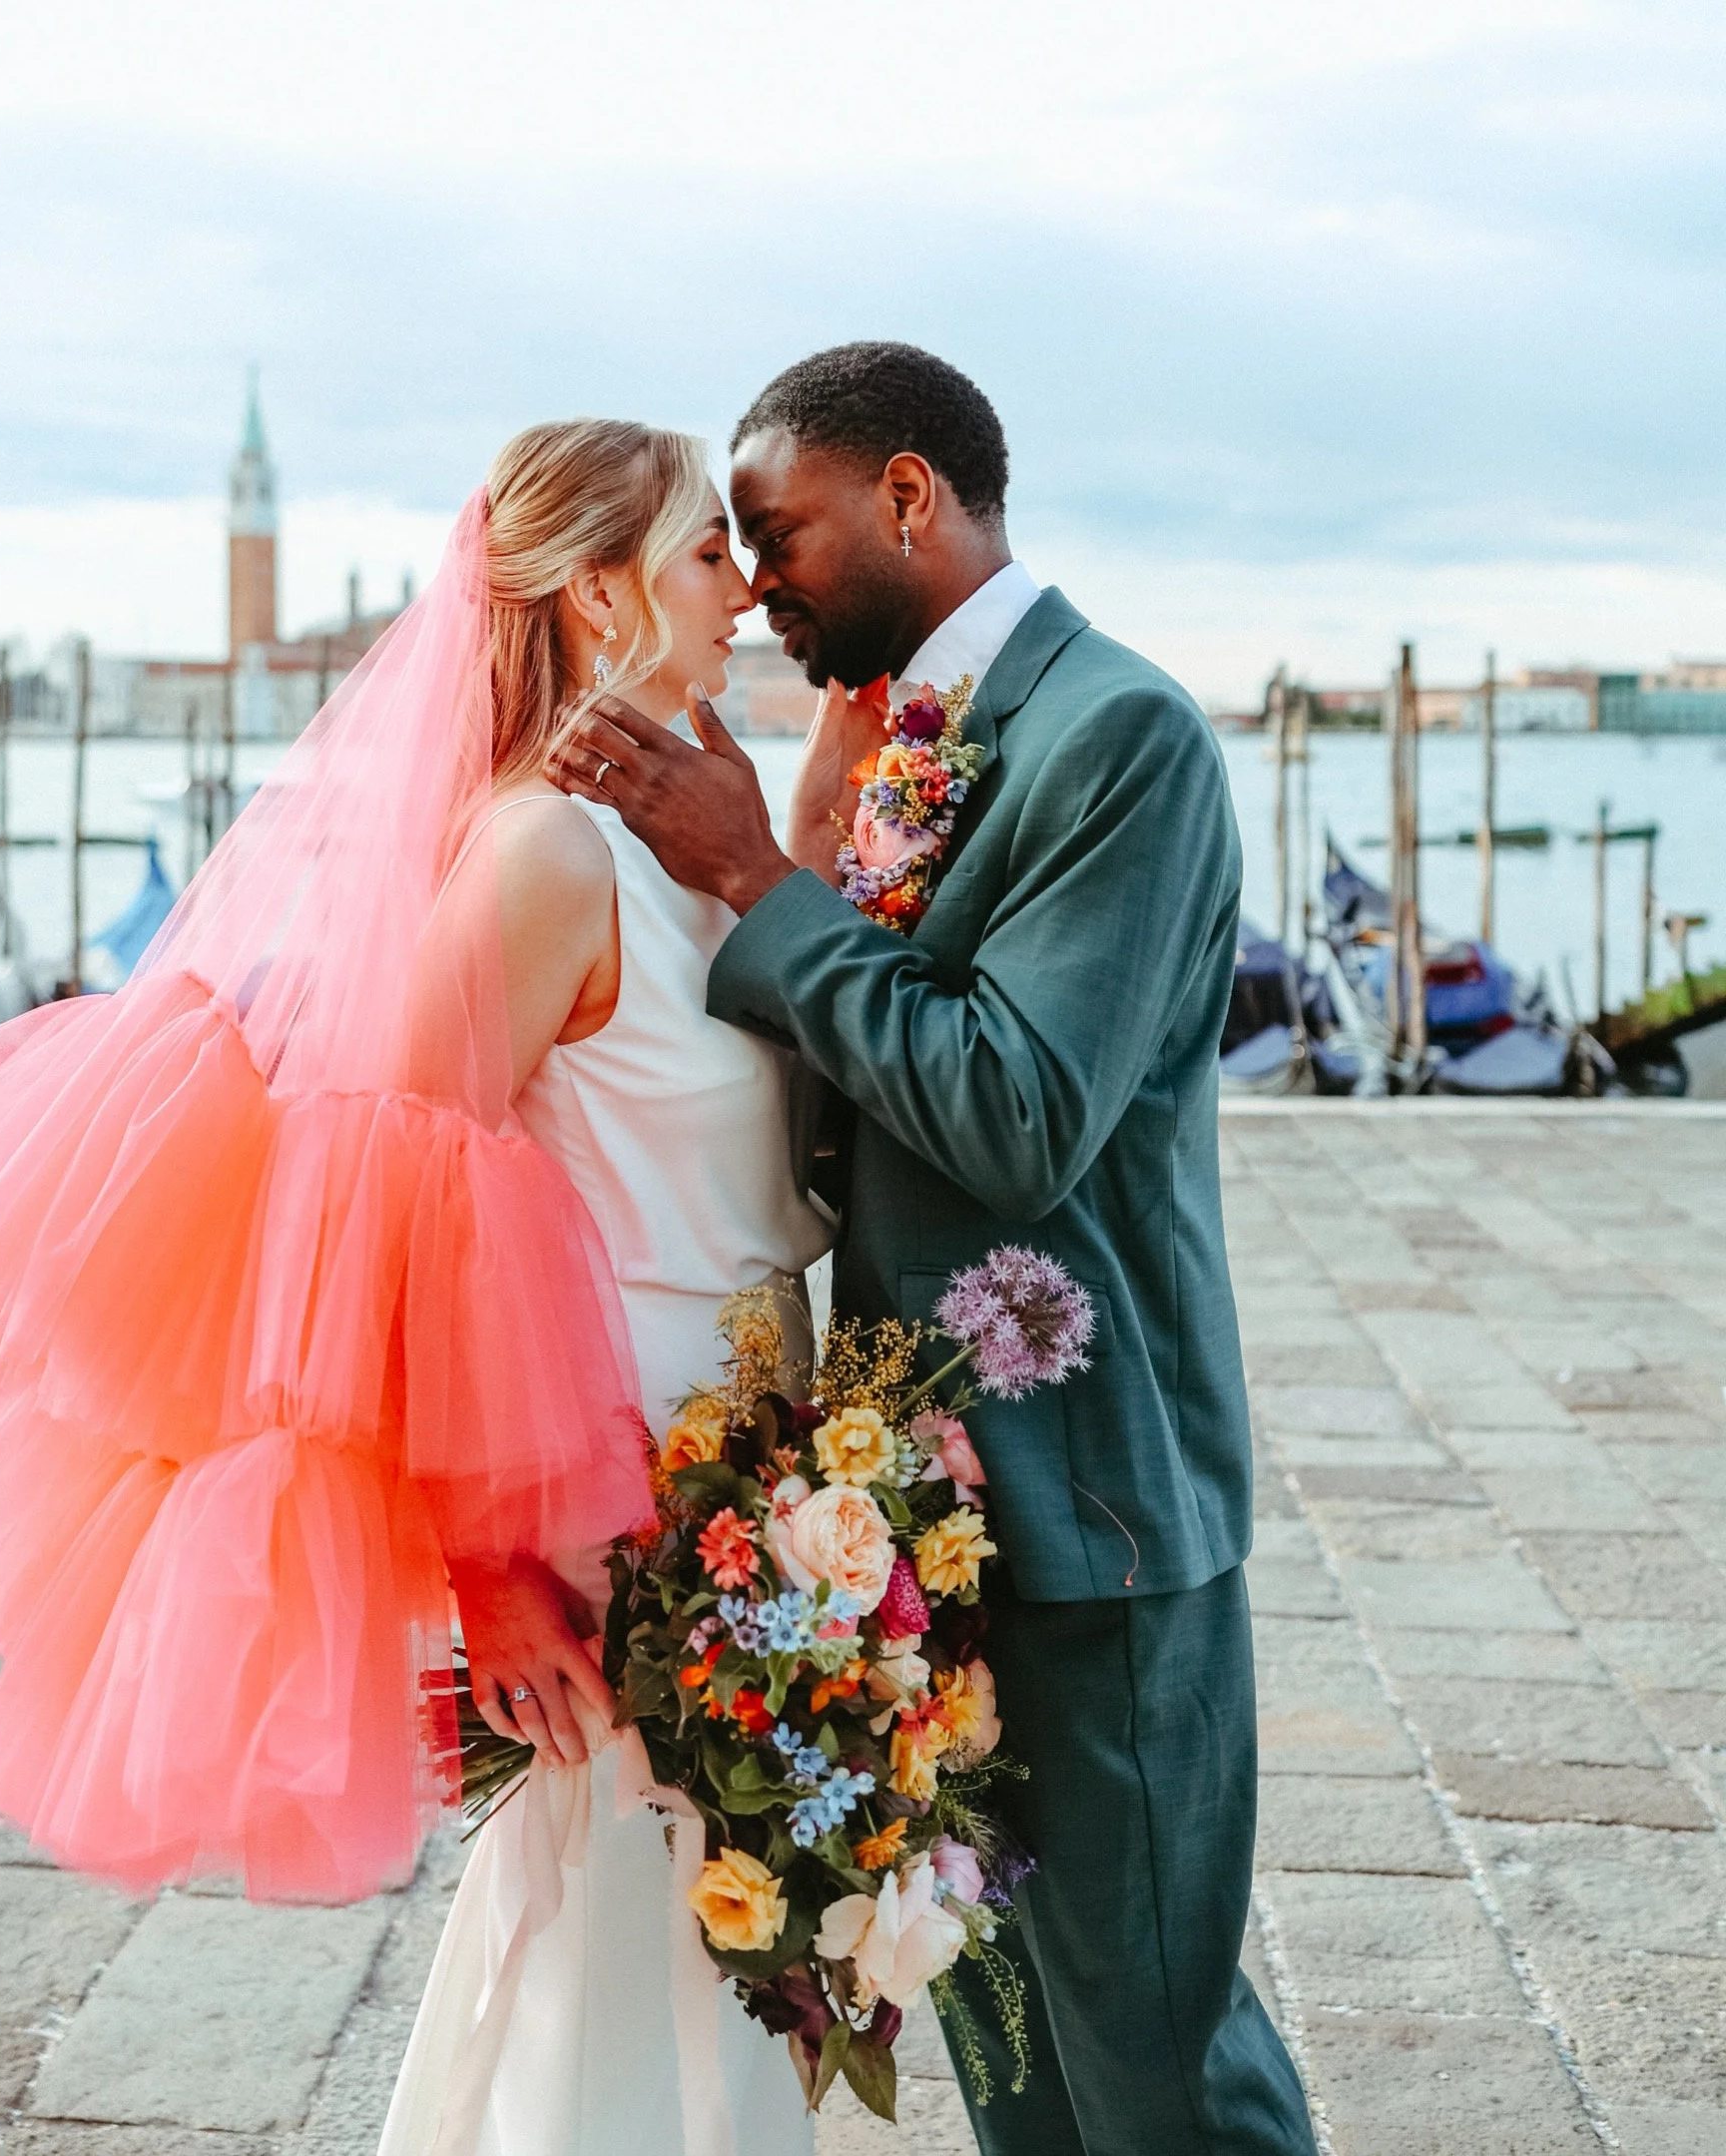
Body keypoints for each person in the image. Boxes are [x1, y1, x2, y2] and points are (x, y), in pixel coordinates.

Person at [0, 418, 828, 2154]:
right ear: (599, 597)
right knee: (637, 1944)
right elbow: (385, 1211)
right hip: (619, 1469)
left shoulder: (685, 829)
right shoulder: (546, 855)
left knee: (710, 1951)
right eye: (706, 557)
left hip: (753, 1454)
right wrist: (493, 1566)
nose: (745, 589)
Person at [552, 341, 1318, 2156]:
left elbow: (1019, 1109)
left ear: (908, 495)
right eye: (735, 547)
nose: (758, 584)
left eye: (779, 532)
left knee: (1161, 2065)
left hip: (1091, 1515)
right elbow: (852, 1113)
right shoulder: (911, 740)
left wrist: (758, 883)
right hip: (931, 1524)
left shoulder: (1115, 733)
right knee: (1016, 2069)